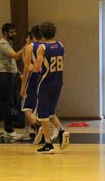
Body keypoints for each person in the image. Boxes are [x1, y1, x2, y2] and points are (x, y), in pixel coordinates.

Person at [35, 22, 69, 154]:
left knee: (43, 116)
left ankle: (48, 144)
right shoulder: (61, 46)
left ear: (42, 34)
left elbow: (37, 67)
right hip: (58, 82)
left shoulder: (42, 47)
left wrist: (28, 66)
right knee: (51, 113)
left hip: (46, 82)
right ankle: (61, 131)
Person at [0, 23, 21, 136]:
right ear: (5, 33)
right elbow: (16, 56)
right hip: (4, 76)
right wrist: (27, 46)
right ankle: (8, 129)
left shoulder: (8, 44)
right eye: (12, 32)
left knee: (13, 102)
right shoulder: (2, 44)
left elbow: (11, 61)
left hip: (9, 75)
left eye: (14, 32)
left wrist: (19, 72)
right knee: (8, 102)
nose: (14, 34)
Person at [17, 25, 43, 142]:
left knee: (26, 108)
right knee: (35, 107)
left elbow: (27, 68)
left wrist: (23, 86)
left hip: (32, 78)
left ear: (31, 36)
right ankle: (28, 132)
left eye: (27, 37)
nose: (26, 40)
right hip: (42, 78)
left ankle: (37, 127)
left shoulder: (30, 48)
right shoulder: (44, 46)